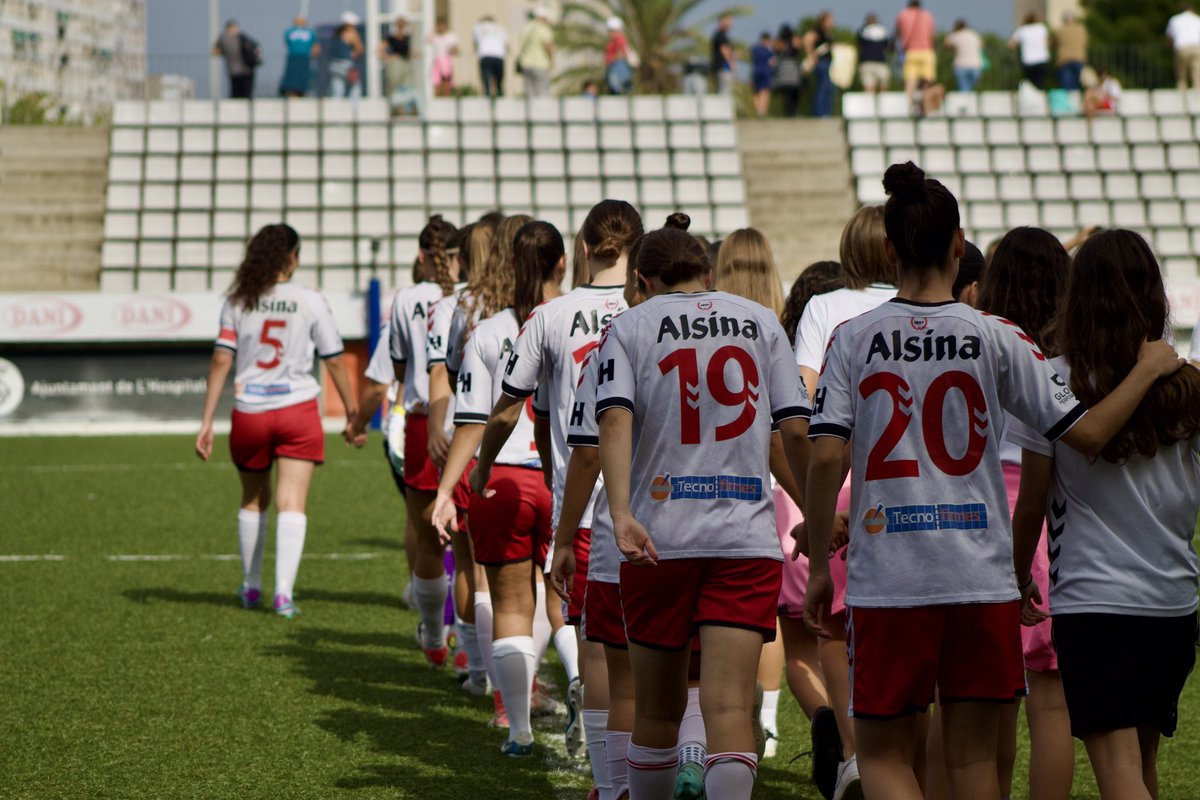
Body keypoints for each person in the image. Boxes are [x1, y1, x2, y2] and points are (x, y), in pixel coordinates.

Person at [802, 162, 1183, 800]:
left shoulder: (852, 338)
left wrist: (818, 560)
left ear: (890, 250)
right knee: (977, 765)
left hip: (891, 578)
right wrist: (1147, 370)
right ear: (958, 245)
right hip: (980, 579)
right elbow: (1085, 435)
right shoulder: (999, 336)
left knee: (886, 758)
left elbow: (822, 461)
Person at [595, 214, 810, 800]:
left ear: (640, 279)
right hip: (744, 541)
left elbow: (614, 418)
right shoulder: (762, 322)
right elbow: (788, 433)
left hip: (659, 540)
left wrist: (619, 513)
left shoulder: (630, 326)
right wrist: (813, 508)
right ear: (708, 271)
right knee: (728, 711)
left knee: (659, 717)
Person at [1009, 230, 1197, 800]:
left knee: (1119, 775)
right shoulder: (1187, 384)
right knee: (1141, 768)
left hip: (1095, 601)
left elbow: (1033, 503)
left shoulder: (1053, 379)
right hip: (1173, 600)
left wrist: (1019, 577)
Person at [432, 221, 566, 757]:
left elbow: (471, 421)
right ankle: (580, 688)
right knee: (569, 604)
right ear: (563, 263)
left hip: (503, 477)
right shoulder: (593, 322)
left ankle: (515, 724)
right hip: (570, 477)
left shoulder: (486, 330)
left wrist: (449, 488)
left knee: (508, 599)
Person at [195, 224, 356, 619]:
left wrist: (205, 421)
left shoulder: (238, 299)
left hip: (250, 410)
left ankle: (251, 587)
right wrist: (353, 412)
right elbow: (333, 358)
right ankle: (283, 594)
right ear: (292, 258)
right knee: (292, 502)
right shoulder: (310, 299)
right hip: (298, 410)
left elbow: (221, 360)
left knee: (253, 499)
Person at [973, 228, 1074, 800]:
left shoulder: (978, 343)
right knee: (1050, 699)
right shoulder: (1062, 362)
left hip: (984, 516)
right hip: (1044, 525)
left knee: (986, 702)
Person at [389, 215, 461, 668]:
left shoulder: (406, 299)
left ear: (421, 256)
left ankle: (435, 637)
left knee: (426, 535)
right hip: (472, 422)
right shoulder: (475, 298)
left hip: (422, 421)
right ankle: (468, 653)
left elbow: (400, 367)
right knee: (469, 547)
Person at [895, 0, 936, 102]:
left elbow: (898, 33)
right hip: (926, 52)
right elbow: (932, 35)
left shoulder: (902, 15)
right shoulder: (927, 15)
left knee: (910, 82)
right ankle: (927, 107)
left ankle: (907, 107)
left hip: (910, 52)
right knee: (927, 82)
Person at [212, 20, 260, 99]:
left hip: (233, 69)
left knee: (236, 92)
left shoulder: (223, 38)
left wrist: (225, 52)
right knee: (246, 93)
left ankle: (236, 108)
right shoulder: (242, 37)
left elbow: (215, 52)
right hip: (247, 68)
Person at [517, 7, 555, 97]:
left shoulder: (526, 27)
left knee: (530, 94)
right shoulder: (543, 28)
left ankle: (531, 111)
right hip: (540, 64)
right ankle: (542, 111)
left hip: (526, 64)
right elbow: (548, 45)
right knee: (542, 93)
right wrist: (552, 60)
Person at [381, 16, 415, 114]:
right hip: (396, 64)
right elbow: (380, 49)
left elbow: (409, 52)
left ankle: (404, 110)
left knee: (405, 87)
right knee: (394, 87)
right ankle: (392, 110)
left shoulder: (407, 37)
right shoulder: (392, 38)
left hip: (405, 64)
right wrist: (388, 57)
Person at [806, 11, 836, 118]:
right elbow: (808, 40)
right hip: (821, 63)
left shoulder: (827, 32)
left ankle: (825, 112)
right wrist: (812, 56)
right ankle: (819, 113)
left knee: (829, 89)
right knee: (822, 88)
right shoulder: (818, 31)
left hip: (828, 63)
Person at [1010, 12, 1052, 90]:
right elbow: (1047, 43)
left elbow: (1011, 44)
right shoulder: (1042, 28)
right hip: (1042, 59)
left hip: (1028, 61)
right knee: (1040, 84)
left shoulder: (1022, 30)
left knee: (1029, 85)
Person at [328, 12, 365, 99]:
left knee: (337, 90)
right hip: (347, 65)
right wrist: (354, 54)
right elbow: (360, 50)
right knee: (355, 87)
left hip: (334, 65)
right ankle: (354, 110)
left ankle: (337, 109)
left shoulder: (336, 34)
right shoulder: (352, 33)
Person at [280, 17, 319, 97]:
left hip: (303, 58)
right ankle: (292, 92)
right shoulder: (290, 32)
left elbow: (316, 47)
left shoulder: (309, 33)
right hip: (295, 57)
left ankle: (299, 92)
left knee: (301, 77)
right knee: (293, 77)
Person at [944, 19, 984, 93]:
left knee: (964, 91)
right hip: (976, 66)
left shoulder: (956, 35)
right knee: (970, 90)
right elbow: (982, 44)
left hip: (960, 66)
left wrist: (951, 32)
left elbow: (947, 44)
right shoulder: (973, 34)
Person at [1168, 3, 1200, 91]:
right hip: (1196, 46)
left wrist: (1171, 47)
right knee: (1197, 70)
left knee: (1181, 72)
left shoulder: (1174, 19)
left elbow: (1170, 37)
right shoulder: (1197, 19)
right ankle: (1197, 89)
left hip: (1181, 46)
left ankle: (1181, 89)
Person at [474, 14, 507, 98]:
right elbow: (505, 44)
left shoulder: (478, 27)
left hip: (485, 55)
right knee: (499, 81)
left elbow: (475, 43)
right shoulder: (500, 28)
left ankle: (487, 97)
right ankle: (500, 96)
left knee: (486, 81)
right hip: (499, 55)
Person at [1054, 12, 1088, 91]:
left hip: (1064, 59)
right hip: (1079, 58)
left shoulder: (1060, 30)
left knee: (1066, 87)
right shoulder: (1081, 29)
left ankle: (1068, 102)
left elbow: (1054, 43)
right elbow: (1085, 43)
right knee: (1076, 85)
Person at [857, 14, 891, 94]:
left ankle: (870, 105)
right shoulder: (883, 30)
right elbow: (887, 46)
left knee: (869, 87)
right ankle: (880, 104)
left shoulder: (862, 30)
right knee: (882, 86)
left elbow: (859, 45)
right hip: (880, 61)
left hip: (866, 62)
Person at [774, 26, 803, 118]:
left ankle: (791, 113)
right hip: (790, 68)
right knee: (791, 94)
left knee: (788, 95)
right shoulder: (785, 42)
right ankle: (792, 113)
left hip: (785, 69)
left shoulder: (780, 42)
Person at [430, 17, 460, 97]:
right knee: (437, 82)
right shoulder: (435, 37)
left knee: (446, 81)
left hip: (446, 60)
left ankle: (446, 97)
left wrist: (452, 50)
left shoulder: (450, 36)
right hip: (437, 61)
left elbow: (456, 50)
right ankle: (438, 97)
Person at [605, 17, 633, 96]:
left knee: (617, 87)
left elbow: (622, 52)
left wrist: (613, 58)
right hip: (615, 67)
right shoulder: (613, 40)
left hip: (617, 67)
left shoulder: (619, 39)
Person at [751, 33, 775, 117]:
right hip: (765, 72)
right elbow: (772, 62)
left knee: (756, 92)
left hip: (755, 72)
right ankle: (762, 110)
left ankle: (758, 109)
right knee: (764, 91)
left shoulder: (754, 49)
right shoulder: (769, 50)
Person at [711, 15, 735, 95]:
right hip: (723, 67)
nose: (731, 23)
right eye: (729, 21)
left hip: (721, 68)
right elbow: (724, 50)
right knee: (724, 93)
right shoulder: (720, 35)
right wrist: (731, 63)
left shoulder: (720, 34)